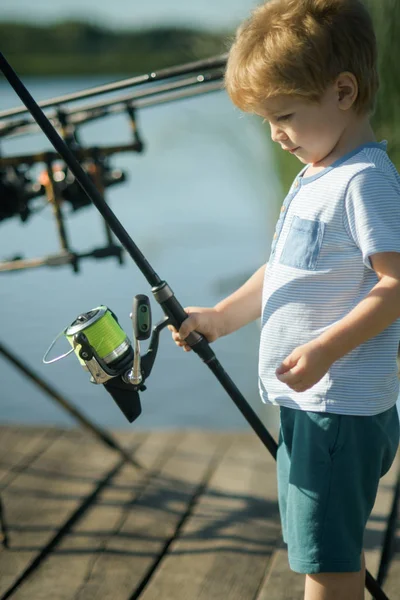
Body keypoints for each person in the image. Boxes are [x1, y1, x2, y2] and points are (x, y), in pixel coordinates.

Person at [169, 1, 400, 598]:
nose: (275, 133)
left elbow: (396, 285)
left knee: (326, 563)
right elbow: (285, 270)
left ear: (343, 91)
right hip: (315, 404)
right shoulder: (318, 174)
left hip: (337, 410)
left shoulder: (364, 180)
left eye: (285, 115)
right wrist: (220, 317)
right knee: (319, 550)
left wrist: (324, 349)